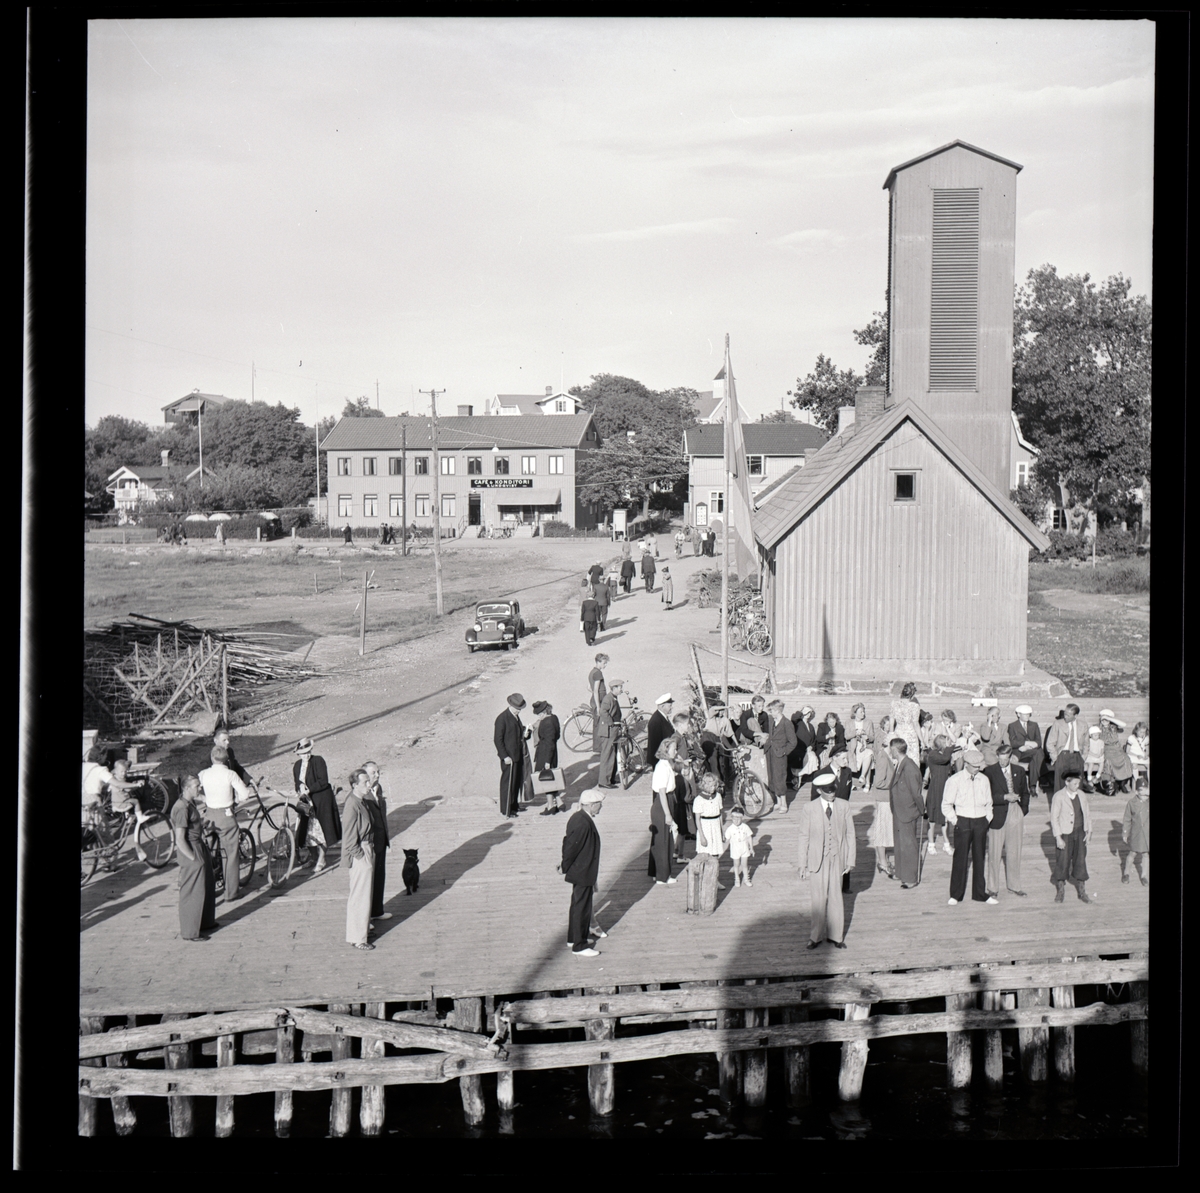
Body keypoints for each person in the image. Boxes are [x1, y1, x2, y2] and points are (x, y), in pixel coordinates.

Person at [797, 772, 856, 949]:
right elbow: (803, 836)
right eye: (828, 790)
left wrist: (850, 859)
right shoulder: (809, 808)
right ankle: (815, 937)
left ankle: (836, 936)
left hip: (837, 857)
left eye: (834, 789)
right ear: (819, 790)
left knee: (837, 897)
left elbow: (851, 834)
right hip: (817, 859)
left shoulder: (844, 806)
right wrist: (802, 864)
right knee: (818, 899)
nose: (832, 793)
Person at [941, 749, 995, 906]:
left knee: (980, 858)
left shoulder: (984, 780)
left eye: (979, 766)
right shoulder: (955, 780)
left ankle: (980, 894)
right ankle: (955, 895)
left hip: (980, 822)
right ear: (966, 764)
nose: (978, 769)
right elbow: (946, 804)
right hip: (963, 821)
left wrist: (987, 820)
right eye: (975, 766)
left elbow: (989, 803)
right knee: (960, 859)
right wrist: (955, 821)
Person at [199, 746, 252, 902]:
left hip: (209, 815)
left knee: (209, 853)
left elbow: (196, 790)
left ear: (211, 758)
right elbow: (245, 794)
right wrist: (235, 800)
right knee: (231, 854)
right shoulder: (230, 774)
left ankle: (208, 889)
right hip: (226, 815)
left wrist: (205, 799)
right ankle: (231, 892)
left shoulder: (203, 774)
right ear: (227, 760)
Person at [170, 775, 219, 942]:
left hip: (198, 845)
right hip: (191, 849)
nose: (200, 788)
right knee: (192, 891)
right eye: (197, 786)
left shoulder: (189, 804)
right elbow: (180, 839)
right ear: (186, 788)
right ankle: (190, 932)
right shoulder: (181, 807)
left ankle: (205, 922)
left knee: (207, 884)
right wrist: (193, 858)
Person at [559, 788, 606, 956]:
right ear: (592, 805)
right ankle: (580, 946)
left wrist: (565, 865)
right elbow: (571, 847)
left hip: (581, 870)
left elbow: (569, 844)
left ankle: (573, 938)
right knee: (582, 908)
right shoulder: (583, 822)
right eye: (600, 804)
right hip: (583, 871)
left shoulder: (579, 818)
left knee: (577, 905)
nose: (601, 807)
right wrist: (564, 866)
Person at [982, 744, 1030, 898]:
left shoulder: (1019, 771)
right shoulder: (989, 772)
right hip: (997, 814)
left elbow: (1025, 793)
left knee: (1014, 852)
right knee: (995, 853)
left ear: (1010, 757)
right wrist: (1004, 797)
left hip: (1015, 812)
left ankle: (1014, 886)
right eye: (1000, 759)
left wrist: (1022, 811)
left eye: (1005, 759)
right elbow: (986, 797)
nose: (1002, 762)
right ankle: (993, 888)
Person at [293, 738, 340, 870]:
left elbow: (323, 780)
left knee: (321, 830)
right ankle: (313, 857)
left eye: (308, 751)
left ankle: (322, 858)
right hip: (306, 802)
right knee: (307, 831)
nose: (306, 755)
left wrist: (309, 789)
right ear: (298, 754)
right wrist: (299, 788)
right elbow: (297, 781)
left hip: (321, 799)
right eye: (303, 753)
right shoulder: (297, 765)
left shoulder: (318, 761)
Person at [342, 769, 376, 950]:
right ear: (355, 785)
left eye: (369, 781)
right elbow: (348, 838)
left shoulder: (360, 801)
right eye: (365, 782)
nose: (369, 785)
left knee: (365, 894)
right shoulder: (352, 804)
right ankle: (358, 938)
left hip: (366, 848)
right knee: (359, 896)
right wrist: (361, 856)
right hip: (360, 852)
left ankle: (362, 932)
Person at [1050, 771, 1092, 903]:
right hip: (1065, 834)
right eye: (1074, 783)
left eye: (1078, 783)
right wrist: (1058, 837)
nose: (1077, 786)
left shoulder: (1082, 795)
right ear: (1066, 782)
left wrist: (1089, 831)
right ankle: (1060, 891)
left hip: (1080, 833)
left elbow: (1087, 814)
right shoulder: (1058, 796)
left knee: (1080, 861)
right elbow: (1054, 818)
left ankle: (1082, 892)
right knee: (1063, 862)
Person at [888, 738, 924, 888]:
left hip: (907, 812)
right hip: (898, 810)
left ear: (895, 750)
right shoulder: (900, 764)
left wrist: (922, 810)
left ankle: (911, 878)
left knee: (909, 845)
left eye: (891, 750)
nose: (890, 752)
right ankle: (901, 873)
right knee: (899, 844)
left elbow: (916, 793)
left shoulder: (909, 767)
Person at [363, 761, 392, 923]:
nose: (378, 775)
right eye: (374, 772)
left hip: (381, 841)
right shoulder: (363, 794)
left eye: (378, 772)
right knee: (368, 881)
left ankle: (377, 911)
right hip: (370, 843)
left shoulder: (378, 789)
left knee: (379, 876)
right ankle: (366, 918)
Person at [649, 740, 680, 885]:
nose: (676, 751)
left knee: (660, 840)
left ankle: (656, 873)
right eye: (674, 749)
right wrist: (668, 814)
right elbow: (661, 792)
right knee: (664, 842)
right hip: (663, 803)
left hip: (667, 800)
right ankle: (663, 876)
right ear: (666, 750)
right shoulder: (662, 767)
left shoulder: (666, 764)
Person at [867, 718, 895, 876]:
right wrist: (895, 783)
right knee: (882, 831)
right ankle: (882, 862)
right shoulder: (883, 757)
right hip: (884, 799)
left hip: (887, 799)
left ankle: (883, 860)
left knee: (885, 830)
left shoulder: (888, 756)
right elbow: (878, 782)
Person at [493, 693, 529, 818]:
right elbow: (498, 740)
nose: (519, 711)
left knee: (516, 782)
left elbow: (518, 732)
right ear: (510, 705)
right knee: (507, 783)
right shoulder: (502, 719)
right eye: (517, 709)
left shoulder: (515, 717)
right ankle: (506, 810)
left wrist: (526, 734)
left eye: (520, 709)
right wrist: (504, 756)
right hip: (509, 757)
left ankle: (514, 805)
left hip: (517, 755)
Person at [762, 699, 797, 813]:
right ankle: (778, 802)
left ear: (777, 710)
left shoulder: (787, 723)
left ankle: (784, 804)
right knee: (772, 777)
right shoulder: (772, 720)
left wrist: (784, 752)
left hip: (779, 754)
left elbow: (793, 742)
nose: (770, 713)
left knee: (780, 778)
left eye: (771, 710)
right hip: (770, 752)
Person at [692, 772, 726, 889]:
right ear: (705, 785)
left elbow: (720, 815)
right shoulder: (699, 800)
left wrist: (722, 831)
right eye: (711, 786)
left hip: (716, 826)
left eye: (715, 785)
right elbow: (697, 820)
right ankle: (702, 880)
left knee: (715, 856)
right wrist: (701, 836)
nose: (714, 788)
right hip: (705, 827)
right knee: (704, 855)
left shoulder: (718, 797)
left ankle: (715, 880)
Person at [924, 733, 956, 857]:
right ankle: (931, 844)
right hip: (935, 789)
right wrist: (950, 748)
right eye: (946, 742)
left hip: (946, 789)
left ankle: (946, 843)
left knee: (945, 819)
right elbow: (944, 759)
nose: (948, 744)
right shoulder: (932, 754)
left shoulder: (946, 754)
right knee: (932, 818)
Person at [1046, 704, 1086, 794]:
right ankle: (1059, 807)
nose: (1065, 717)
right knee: (1060, 786)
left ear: (1075, 716)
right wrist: (1055, 758)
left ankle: (1074, 806)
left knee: (1077, 786)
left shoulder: (1083, 725)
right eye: (1065, 714)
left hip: (1077, 757)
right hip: (1062, 756)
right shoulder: (1058, 723)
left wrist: (1083, 757)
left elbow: (1087, 743)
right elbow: (1050, 743)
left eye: (1068, 715)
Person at [533, 700, 564, 814]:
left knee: (546, 779)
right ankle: (559, 802)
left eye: (539, 713)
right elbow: (557, 736)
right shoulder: (554, 718)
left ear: (545, 711)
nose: (538, 716)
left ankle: (551, 805)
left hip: (545, 754)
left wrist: (547, 761)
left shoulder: (547, 723)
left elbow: (550, 742)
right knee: (550, 778)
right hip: (552, 752)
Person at [1007, 704, 1046, 793]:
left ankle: (1032, 786)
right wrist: (1025, 743)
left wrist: (1028, 747)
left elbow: (1039, 742)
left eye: (1029, 714)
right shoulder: (1012, 726)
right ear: (1018, 714)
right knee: (1038, 753)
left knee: (1035, 757)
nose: (1027, 716)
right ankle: (1043, 777)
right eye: (1025, 714)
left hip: (1033, 751)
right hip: (1020, 752)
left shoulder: (1034, 725)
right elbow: (1012, 743)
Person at [596, 680, 625, 789]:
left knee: (612, 754)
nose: (621, 689)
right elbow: (603, 712)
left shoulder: (613, 698)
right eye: (620, 687)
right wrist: (611, 724)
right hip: (608, 731)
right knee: (607, 756)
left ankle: (610, 778)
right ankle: (603, 781)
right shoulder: (608, 699)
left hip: (612, 730)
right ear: (614, 688)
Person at [1121, 778, 1149, 885]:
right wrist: (1125, 833)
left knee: (1146, 854)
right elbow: (1127, 819)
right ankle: (1126, 873)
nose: (1144, 792)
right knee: (1132, 853)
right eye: (1141, 790)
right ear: (1136, 792)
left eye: (1146, 789)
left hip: (1146, 833)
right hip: (1136, 833)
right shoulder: (1131, 803)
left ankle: (1144, 876)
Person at [1099, 709, 1134, 793]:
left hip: (1117, 748)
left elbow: (1124, 724)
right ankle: (1114, 784)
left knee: (1126, 759)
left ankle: (1123, 783)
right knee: (1109, 761)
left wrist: (1109, 719)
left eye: (1106, 719)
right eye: (1103, 719)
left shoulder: (1113, 727)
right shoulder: (1098, 728)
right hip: (1106, 749)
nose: (1104, 721)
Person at [889, 682, 923, 759]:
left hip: (898, 733)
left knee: (898, 757)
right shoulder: (915, 706)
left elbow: (891, 721)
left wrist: (891, 735)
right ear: (913, 694)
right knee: (911, 758)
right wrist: (922, 741)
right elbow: (916, 724)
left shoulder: (894, 703)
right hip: (910, 736)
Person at [725, 806, 755, 887]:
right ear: (731, 818)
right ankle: (737, 879)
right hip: (735, 849)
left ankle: (746, 879)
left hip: (744, 848)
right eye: (734, 818)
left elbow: (749, 837)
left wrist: (751, 848)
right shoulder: (730, 829)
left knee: (745, 865)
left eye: (739, 818)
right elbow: (726, 840)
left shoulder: (745, 827)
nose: (736, 820)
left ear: (742, 818)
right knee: (736, 864)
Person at [848, 704, 875, 789]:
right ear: (855, 713)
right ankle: (857, 781)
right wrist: (855, 733)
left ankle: (864, 778)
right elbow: (846, 736)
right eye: (861, 712)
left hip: (865, 746)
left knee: (869, 753)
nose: (863, 713)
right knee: (863, 755)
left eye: (864, 711)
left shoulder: (868, 722)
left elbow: (872, 737)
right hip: (853, 747)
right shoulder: (849, 722)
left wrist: (867, 737)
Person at [588, 653, 609, 755]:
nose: (605, 665)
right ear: (598, 662)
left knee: (597, 724)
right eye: (604, 663)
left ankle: (598, 747)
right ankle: (599, 748)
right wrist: (599, 707)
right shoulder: (598, 673)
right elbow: (595, 690)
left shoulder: (592, 672)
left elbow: (589, 687)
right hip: (599, 701)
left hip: (595, 700)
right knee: (599, 725)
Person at [646, 694, 676, 766]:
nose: (672, 707)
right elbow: (655, 744)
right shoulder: (655, 721)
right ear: (662, 706)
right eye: (670, 706)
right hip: (659, 760)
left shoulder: (662, 716)